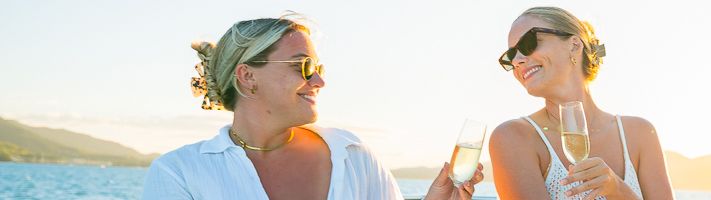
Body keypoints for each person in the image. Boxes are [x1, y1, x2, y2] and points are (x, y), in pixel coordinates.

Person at [143, 13, 483, 200]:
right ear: (247, 76)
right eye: (304, 66)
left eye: (318, 69)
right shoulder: (180, 173)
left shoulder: (352, 155)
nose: (319, 82)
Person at [489, 7, 674, 199]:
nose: (518, 60)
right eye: (511, 55)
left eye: (528, 44)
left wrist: (619, 191)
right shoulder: (513, 138)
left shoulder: (640, 133)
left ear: (575, 46)